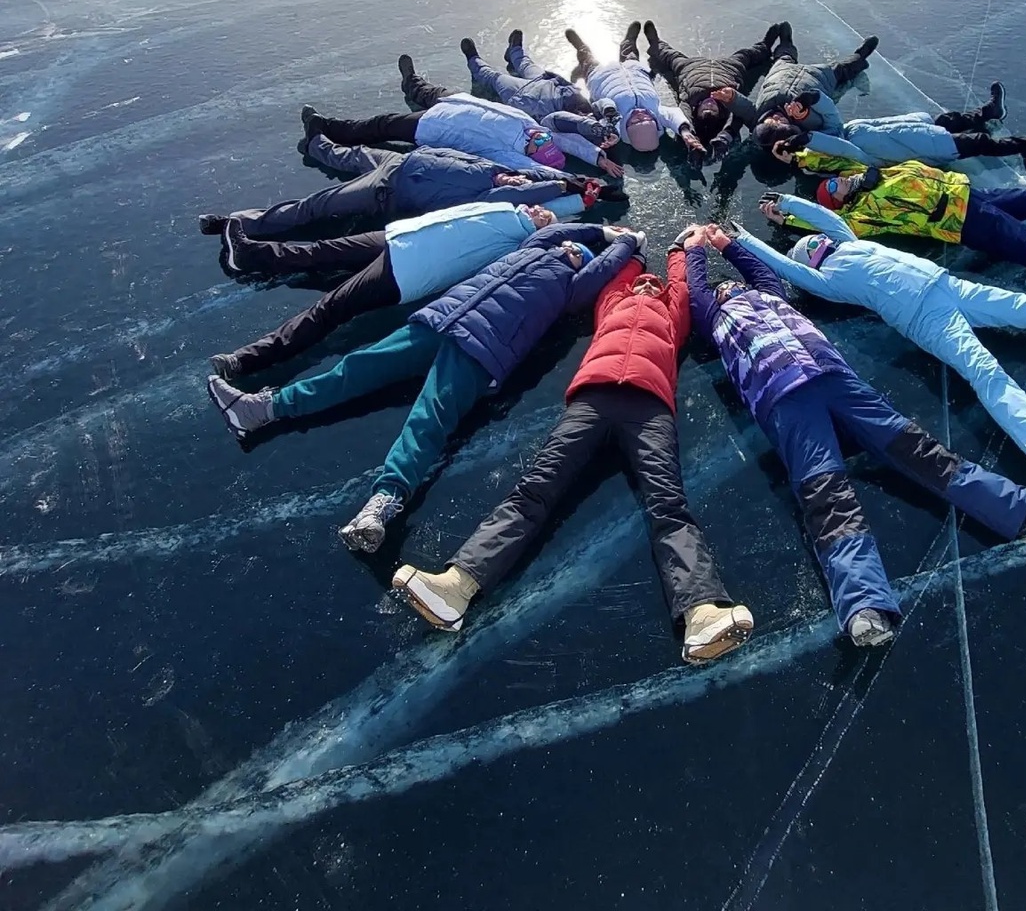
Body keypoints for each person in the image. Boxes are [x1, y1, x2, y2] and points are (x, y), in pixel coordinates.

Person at [685, 224, 1026, 647]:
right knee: (826, 492)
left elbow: (758, 272)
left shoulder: (769, 294)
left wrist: (726, 243)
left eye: (734, 286)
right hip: (781, 396)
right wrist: (694, 250)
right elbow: (697, 287)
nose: (729, 292)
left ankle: (1017, 509)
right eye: (722, 292)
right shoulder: (713, 317)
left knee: (917, 448)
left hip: (835, 377)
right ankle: (863, 605)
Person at [392, 239, 754, 665]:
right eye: (641, 282)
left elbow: (681, 285)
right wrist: (631, 249)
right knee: (535, 489)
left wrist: (681, 249)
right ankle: (456, 585)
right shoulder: (612, 305)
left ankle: (702, 612)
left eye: (653, 284)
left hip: (649, 407)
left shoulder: (673, 316)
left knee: (668, 505)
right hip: (591, 400)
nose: (647, 286)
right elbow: (614, 278)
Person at [207, 224, 643, 553]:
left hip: (481, 348)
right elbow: (553, 231)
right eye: (567, 247)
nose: (567, 249)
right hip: (438, 321)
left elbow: (602, 269)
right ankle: (264, 409)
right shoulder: (532, 248)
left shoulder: (571, 288)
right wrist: (600, 229)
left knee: (429, 418)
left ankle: (383, 502)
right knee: (356, 367)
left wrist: (628, 243)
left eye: (575, 253)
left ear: (580, 265)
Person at [742, 193, 1026, 479]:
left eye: (819, 242)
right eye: (816, 249)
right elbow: (784, 268)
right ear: (813, 262)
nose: (823, 245)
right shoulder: (828, 282)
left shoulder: (850, 241)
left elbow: (824, 217)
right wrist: (740, 239)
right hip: (924, 319)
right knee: (985, 370)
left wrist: (790, 204)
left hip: (947, 284)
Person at [210, 195, 590, 380]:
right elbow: (549, 198)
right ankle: (249, 254)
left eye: (546, 219)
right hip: (400, 236)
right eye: (542, 210)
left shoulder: (518, 243)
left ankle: (247, 359)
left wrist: (595, 222)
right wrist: (573, 195)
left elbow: (558, 234)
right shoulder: (509, 207)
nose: (541, 213)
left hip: (405, 271)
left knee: (330, 309)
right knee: (321, 253)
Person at [788, 161, 1026, 314]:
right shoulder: (863, 215)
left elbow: (830, 155)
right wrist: (786, 210)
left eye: (834, 181)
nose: (837, 184)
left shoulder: (869, 174)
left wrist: (808, 160)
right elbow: (821, 220)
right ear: (836, 205)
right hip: (967, 222)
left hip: (971, 196)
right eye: (833, 189)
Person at [197, 137, 616, 241]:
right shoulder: (493, 168)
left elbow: (529, 192)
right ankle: (314, 142)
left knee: (316, 207)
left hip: (389, 190)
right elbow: (532, 178)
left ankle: (236, 223)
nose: (514, 179)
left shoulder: (489, 196)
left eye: (516, 181)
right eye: (515, 176)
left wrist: (567, 186)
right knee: (355, 153)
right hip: (399, 161)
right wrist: (558, 178)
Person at [302, 81, 624, 179]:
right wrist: (598, 157)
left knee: (380, 126)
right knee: (430, 91)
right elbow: (568, 141)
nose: (537, 138)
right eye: (542, 139)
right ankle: (412, 82)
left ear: (534, 157)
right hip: (459, 103)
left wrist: (580, 181)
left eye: (538, 146)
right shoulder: (533, 129)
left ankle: (325, 128)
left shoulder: (509, 155)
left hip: (435, 126)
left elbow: (545, 173)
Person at [756, 85, 1026, 174]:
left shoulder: (824, 135)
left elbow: (835, 123)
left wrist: (814, 99)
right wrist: (807, 139)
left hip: (911, 129)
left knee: (949, 120)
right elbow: (850, 155)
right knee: (980, 143)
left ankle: (989, 111)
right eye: (778, 126)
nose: (783, 120)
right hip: (918, 149)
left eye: (779, 118)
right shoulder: (811, 157)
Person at [563, 21, 700, 160]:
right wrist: (685, 131)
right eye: (647, 119)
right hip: (635, 71)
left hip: (601, 76)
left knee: (587, 61)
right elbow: (673, 115)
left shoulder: (615, 120)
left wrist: (609, 117)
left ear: (626, 128)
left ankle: (580, 47)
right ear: (655, 122)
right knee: (630, 54)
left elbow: (601, 107)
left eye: (635, 122)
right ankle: (629, 41)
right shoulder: (657, 112)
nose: (641, 115)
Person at [641, 19, 773, 159]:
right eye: (713, 109)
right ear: (720, 112)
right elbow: (736, 119)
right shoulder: (728, 103)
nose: (709, 104)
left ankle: (655, 43)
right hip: (728, 68)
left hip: (690, 67)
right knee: (747, 55)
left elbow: (684, 116)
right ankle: (766, 44)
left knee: (669, 55)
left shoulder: (689, 101)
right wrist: (726, 136)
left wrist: (688, 134)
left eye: (705, 108)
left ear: (696, 109)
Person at [461, 27, 611, 123]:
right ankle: (514, 50)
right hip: (547, 82)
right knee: (526, 64)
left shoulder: (566, 123)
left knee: (493, 77)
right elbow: (603, 103)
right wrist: (610, 113)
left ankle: (473, 59)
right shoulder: (593, 110)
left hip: (524, 95)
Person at [751, 20, 880, 132]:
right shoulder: (802, 121)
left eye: (772, 122)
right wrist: (803, 115)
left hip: (782, 72)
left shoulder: (757, 113)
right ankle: (861, 54)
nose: (778, 119)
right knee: (843, 69)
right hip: (818, 77)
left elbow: (741, 105)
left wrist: (732, 97)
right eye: (782, 124)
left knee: (784, 56)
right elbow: (820, 122)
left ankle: (786, 41)